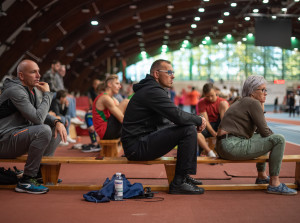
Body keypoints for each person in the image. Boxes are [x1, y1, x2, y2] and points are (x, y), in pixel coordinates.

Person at [121, 59, 207, 195]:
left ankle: (183, 177)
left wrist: (191, 121)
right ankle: (179, 183)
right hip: (136, 147)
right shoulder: (152, 91)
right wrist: (198, 120)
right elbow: (176, 115)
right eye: (169, 72)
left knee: (188, 127)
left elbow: (169, 120)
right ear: (156, 74)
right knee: (188, 129)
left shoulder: (152, 89)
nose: (173, 76)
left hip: (140, 142)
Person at [215, 75, 297, 195]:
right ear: (252, 92)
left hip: (224, 145)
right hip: (230, 146)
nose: (265, 93)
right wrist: (273, 139)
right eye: (262, 90)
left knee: (264, 138)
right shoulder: (253, 103)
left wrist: (261, 108)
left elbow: (260, 132)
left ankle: (262, 176)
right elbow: (265, 132)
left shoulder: (244, 101)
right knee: (279, 140)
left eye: (266, 90)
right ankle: (274, 183)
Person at [0, 59, 67, 194]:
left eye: (38, 72)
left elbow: (40, 113)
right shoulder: (15, 91)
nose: (38, 75)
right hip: (4, 140)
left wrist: (57, 121)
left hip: (17, 136)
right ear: (21, 76)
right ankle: (27, 180)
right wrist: (48, 94)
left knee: (57, 128)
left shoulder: (32, 90)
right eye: (33, 72)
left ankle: (39, 174)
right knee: (43, 130)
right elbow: (38, 119)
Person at [197, 83, 229, 157]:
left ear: (216, 91)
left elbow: (225, 119)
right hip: (209, 125)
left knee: (223, 104)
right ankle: (206, 151)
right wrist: (214, 133)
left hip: (220, 124)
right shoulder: (201, 103)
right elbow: (206, 121)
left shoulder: (222, 101)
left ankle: (224, 149)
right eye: (207, 96)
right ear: (204, 95)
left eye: (212, 95)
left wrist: (221, 130)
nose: (210, 98)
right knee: (196, 130)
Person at [93, 75, 129, 140]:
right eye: (117, 83)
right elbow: (121, 118)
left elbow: (122, 113)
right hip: (105, 132)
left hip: (108, 130)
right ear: (109, 84)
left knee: (126, 103)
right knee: (126, 102)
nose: (120, 86)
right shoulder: (105, 98)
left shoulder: (113, 99)